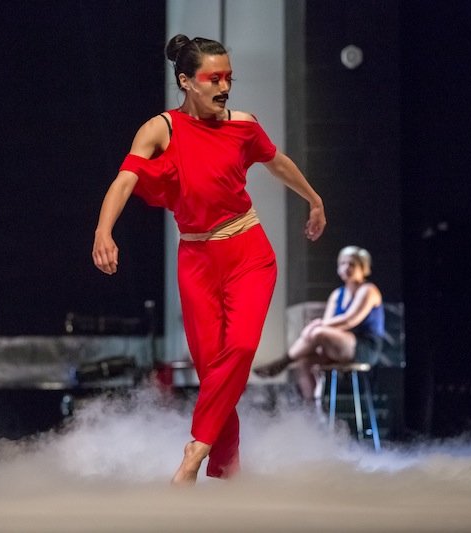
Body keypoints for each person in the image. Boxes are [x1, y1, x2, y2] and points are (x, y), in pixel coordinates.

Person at [92, 34, 325, 485]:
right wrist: (104, 231)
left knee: (238, 349)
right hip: (196, 261)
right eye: (213, 78)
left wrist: (314, 200)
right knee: (214, 369)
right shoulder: (161, 129)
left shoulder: (243, 124)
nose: (224, 86)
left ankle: (195, 451)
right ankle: (227, 471)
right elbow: (124, 182)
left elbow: (278, 163)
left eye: (228, 78)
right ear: (186, 81)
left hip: (248, 253)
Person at [253, 246, 384, 402]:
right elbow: (328, 324)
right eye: (342, 263)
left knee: (319, 332)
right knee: (304, 360)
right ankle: (313, 408)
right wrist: (318, 327)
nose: (346, 268)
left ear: (363, 267)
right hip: (339, 346)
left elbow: (349, 320)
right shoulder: (337, 294)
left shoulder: (368, 290)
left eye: (351, 264)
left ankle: (282, 363)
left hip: (364, 347)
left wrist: (317, 325)